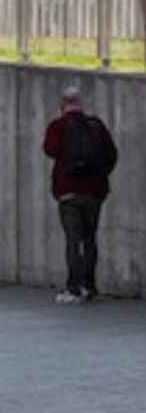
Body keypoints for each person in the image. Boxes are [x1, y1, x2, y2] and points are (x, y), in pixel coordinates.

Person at [43, 89, 117, 303]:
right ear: (80, 104)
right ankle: (89, 286)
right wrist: (98, 175)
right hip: (95, 192)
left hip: (69, 192)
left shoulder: (58, 126)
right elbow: (112, 155)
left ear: (62, 105)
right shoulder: (97, 125)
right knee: (90, 239)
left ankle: (73, 288)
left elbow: (50, 150)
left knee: (73, 241)